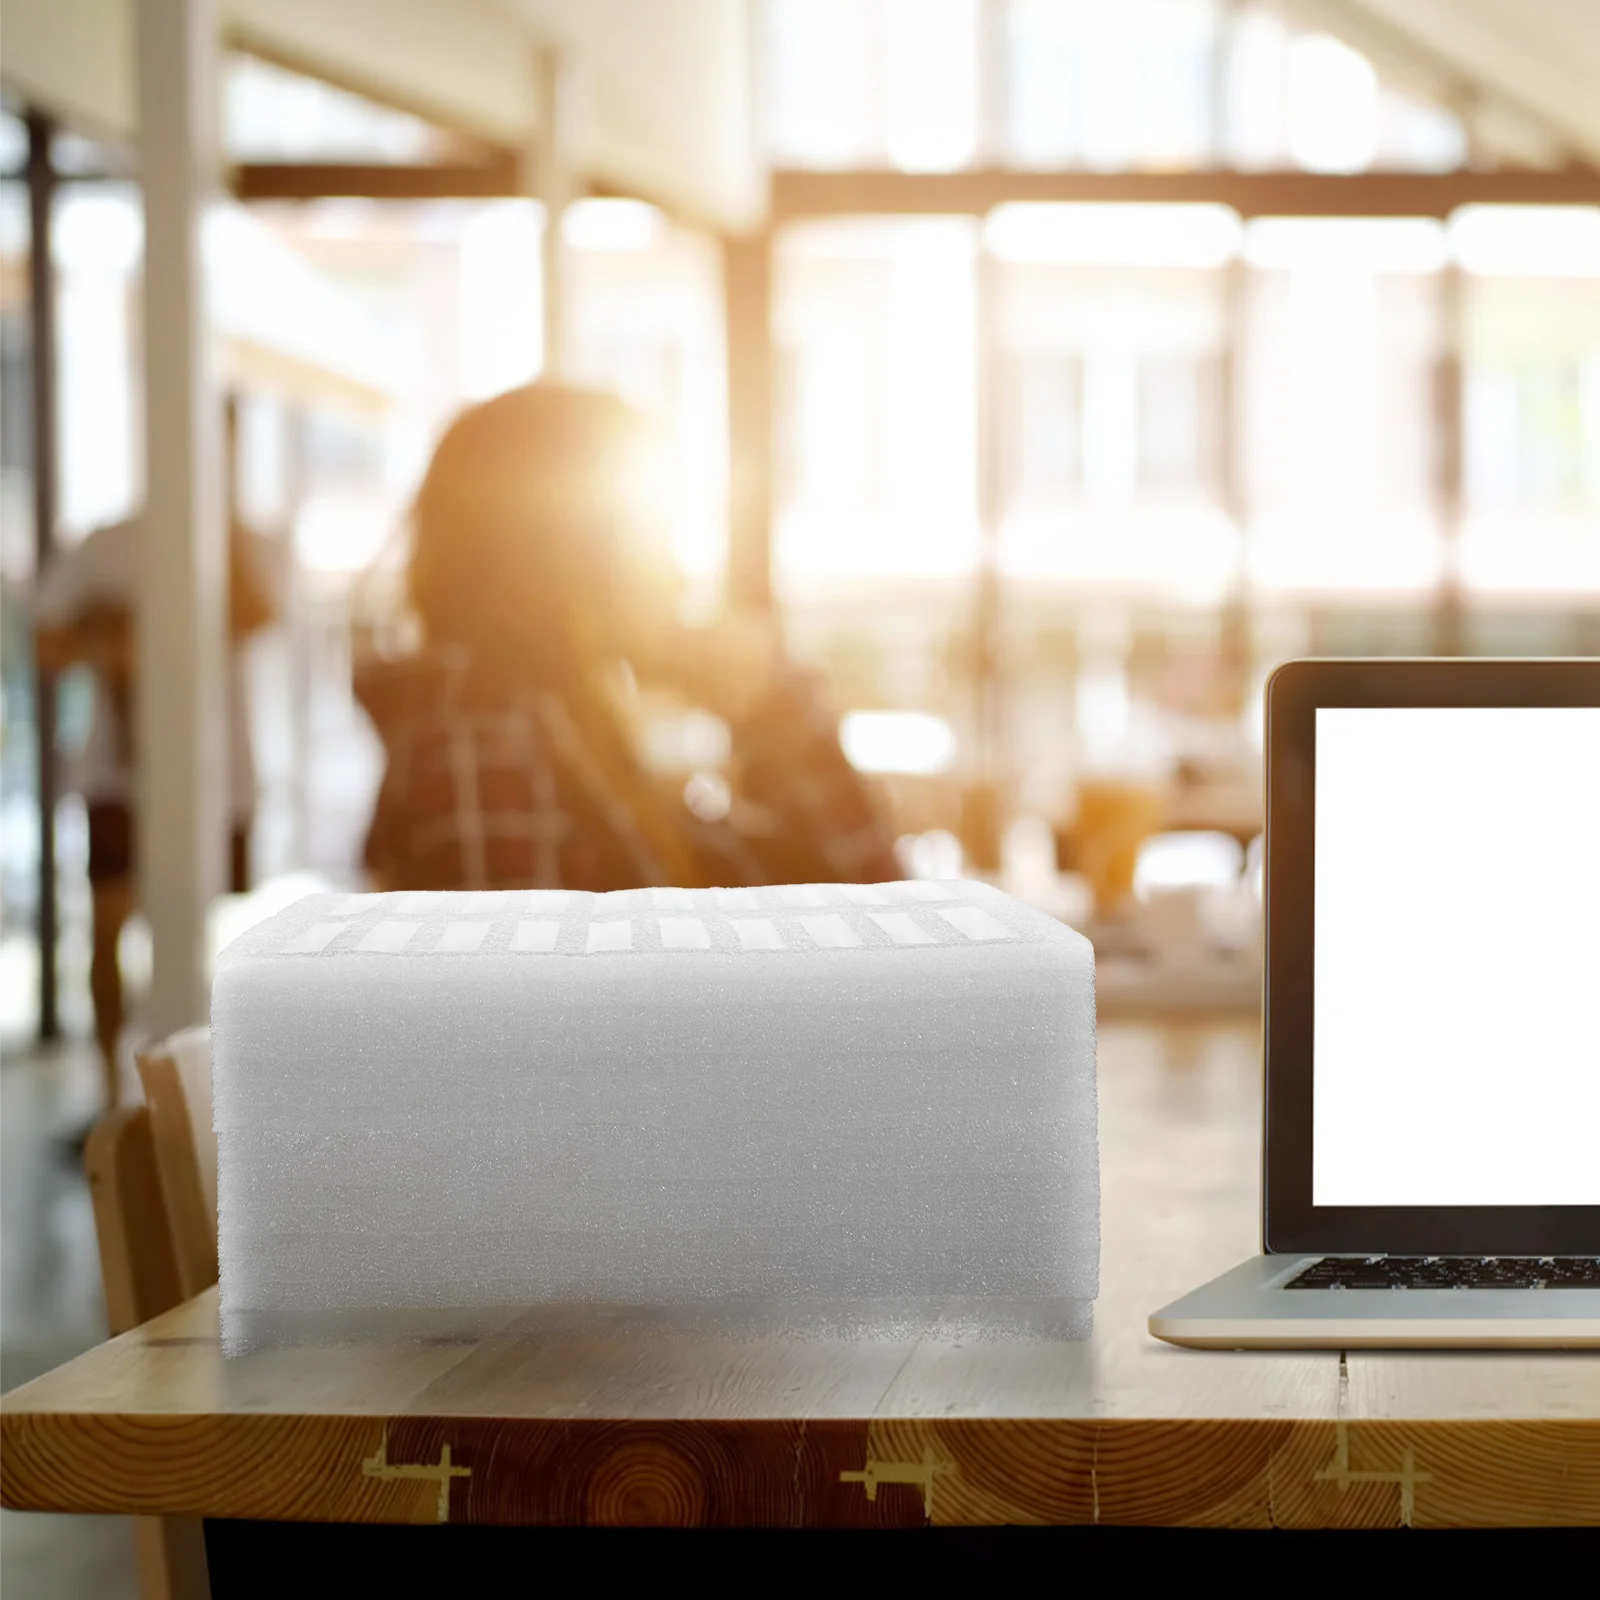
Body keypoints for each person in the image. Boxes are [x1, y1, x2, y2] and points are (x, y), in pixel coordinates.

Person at [356, 383, 901, 893]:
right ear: (568, 552)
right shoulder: (479, 747)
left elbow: (864, 913)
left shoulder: (568, 743)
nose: (680, 575)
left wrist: (768, 703)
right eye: (655, 537)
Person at [33, 515, 278, 1108]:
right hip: (119, 776)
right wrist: (108, 639)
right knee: (110, 930)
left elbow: (260, 615)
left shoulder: (248, 541)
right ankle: (115, 1097)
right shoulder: (105, 546)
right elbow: (46, 641)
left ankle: (201, 1097)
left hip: (214, 773)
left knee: (209, 934)